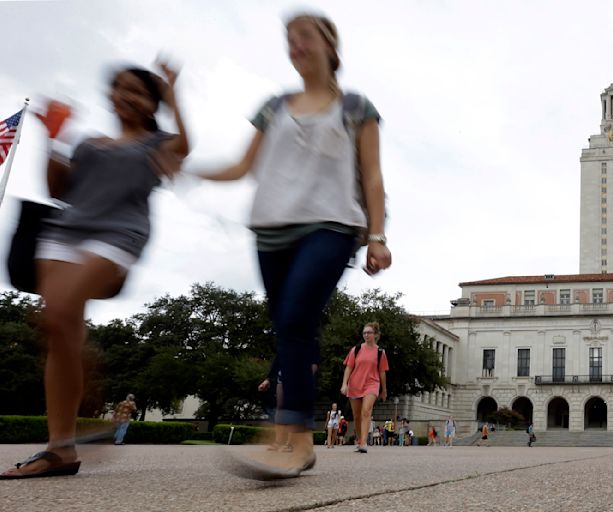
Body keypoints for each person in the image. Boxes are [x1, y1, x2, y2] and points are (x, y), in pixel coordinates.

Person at [200, 13, 390, 478]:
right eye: (289, 39)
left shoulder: (356, 107)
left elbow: (372, 176)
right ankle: (295, 439)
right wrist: (186, 166)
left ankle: (293, 436)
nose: (295, 45)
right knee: (289, 329)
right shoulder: (275, 106)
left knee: (296, 317)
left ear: (329, 44)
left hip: (332, 224)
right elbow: (243, 165)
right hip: (272, 228)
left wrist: (378, 236)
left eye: (305, 36)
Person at [1, 62, 189, 480]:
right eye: (119, 88)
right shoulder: (90, 143)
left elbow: (185, 146)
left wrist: (175, 94)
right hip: (62, 234)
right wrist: (52, 138)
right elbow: (57, 188)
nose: (126, 96)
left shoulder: (156, 143)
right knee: (61, 331)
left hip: (117, 236)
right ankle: (59, 450)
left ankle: (93, 398)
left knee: (58, 313)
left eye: (137, 91)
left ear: (151, 102)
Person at [341, 322, 389, 454]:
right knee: (357, 416)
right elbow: (349, 367)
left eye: (369, 332)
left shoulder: (380, 352)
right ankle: (359, 439)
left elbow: (382, 372)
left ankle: (363, 442)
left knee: (366, 411)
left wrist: (383, 390)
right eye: (364, 333)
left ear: (376, 335)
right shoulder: (355, 350)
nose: (366, 335)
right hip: (355, 384)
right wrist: (344, 384)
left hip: (372, 384)